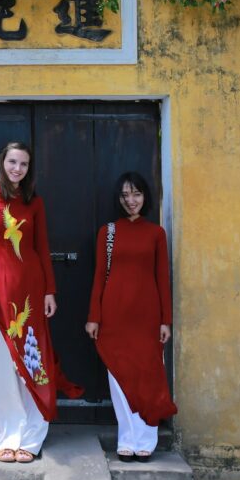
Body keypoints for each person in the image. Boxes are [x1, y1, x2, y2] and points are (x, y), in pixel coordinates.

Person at [0, 141, 83, 464]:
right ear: (1, 162)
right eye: (13, 162)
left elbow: (41, 248)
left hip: (31, 293)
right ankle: (7, 435)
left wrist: (50, 291)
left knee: (34, 362)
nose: (17, 169)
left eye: (23, 164)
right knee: (2, 366)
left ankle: (32, 435)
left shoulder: (34, 203)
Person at [85, 171, 177, 462]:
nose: (131, 200)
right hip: (114, 316)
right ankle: (126, 437)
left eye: (136, 194)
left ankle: (146, 437)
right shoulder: (108, 232)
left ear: (145, 196)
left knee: (147, 376)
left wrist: (166, 320)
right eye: (125, 195)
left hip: (147, 317)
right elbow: (100, 277)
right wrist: (94, 317)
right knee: (119, 377)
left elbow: (163, 278)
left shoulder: (156, 234)